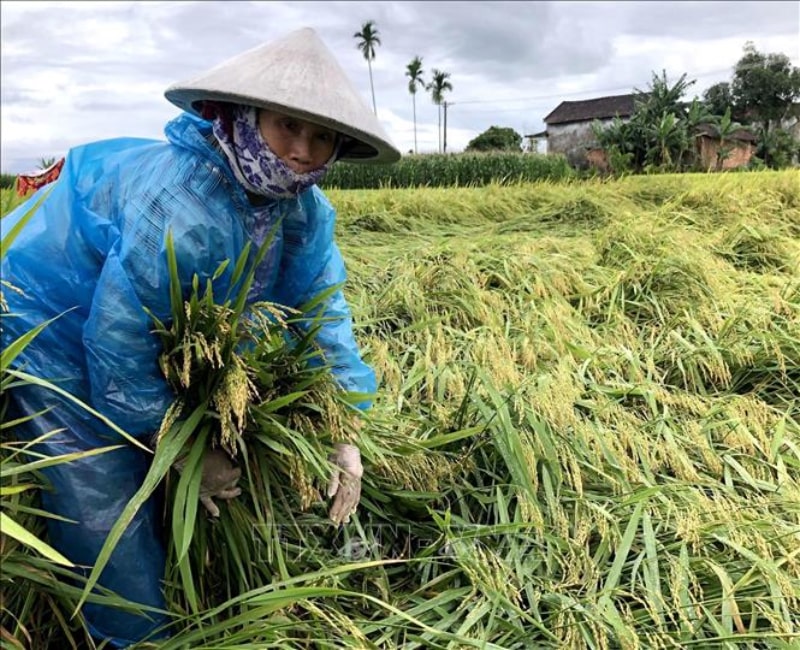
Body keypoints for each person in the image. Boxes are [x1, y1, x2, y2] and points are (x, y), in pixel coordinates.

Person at [1, 27, 399, 647]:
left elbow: (322, 312)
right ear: (242, 115)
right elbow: (118, 345)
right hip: (50, 310)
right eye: (286, 125)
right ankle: (134, 635)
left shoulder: (301, 208)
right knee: (105, 491)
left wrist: (345, 429)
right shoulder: (180, 206)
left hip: (136, 321)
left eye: (321, 136)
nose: (301, 150)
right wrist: (180, 446)